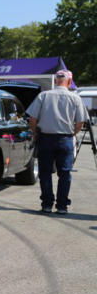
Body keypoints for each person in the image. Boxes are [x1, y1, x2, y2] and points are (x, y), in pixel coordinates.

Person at [26, 70, 88, 214]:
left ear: (55, 81)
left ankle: (47, 204)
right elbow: (80, 122)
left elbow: (32, 119)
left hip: (46, 138)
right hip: (65, 139)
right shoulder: (75, 98)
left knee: (45, 173)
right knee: (65, 173)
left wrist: (35, 132)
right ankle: (62, 206)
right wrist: (72, 133)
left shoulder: (44, 96)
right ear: (69, 82)